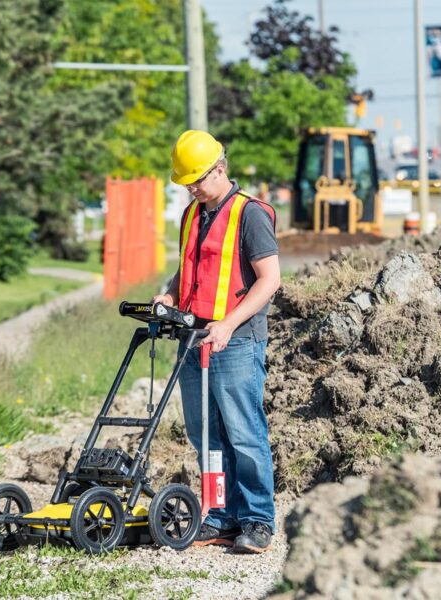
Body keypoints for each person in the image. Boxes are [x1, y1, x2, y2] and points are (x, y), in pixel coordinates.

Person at [153, 130, 280, 554]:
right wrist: (169, 295)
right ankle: (221, 515)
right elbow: (186, 269)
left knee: (245, 434)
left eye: (196, 180)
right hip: (192, 339)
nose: (190, 188)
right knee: (204, 434)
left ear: (219, 169)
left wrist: (227, 323)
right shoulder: (193, 214)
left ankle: (258, 519)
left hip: (236, 341)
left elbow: (269, 281)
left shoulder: (251, 214)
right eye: (185, 181)